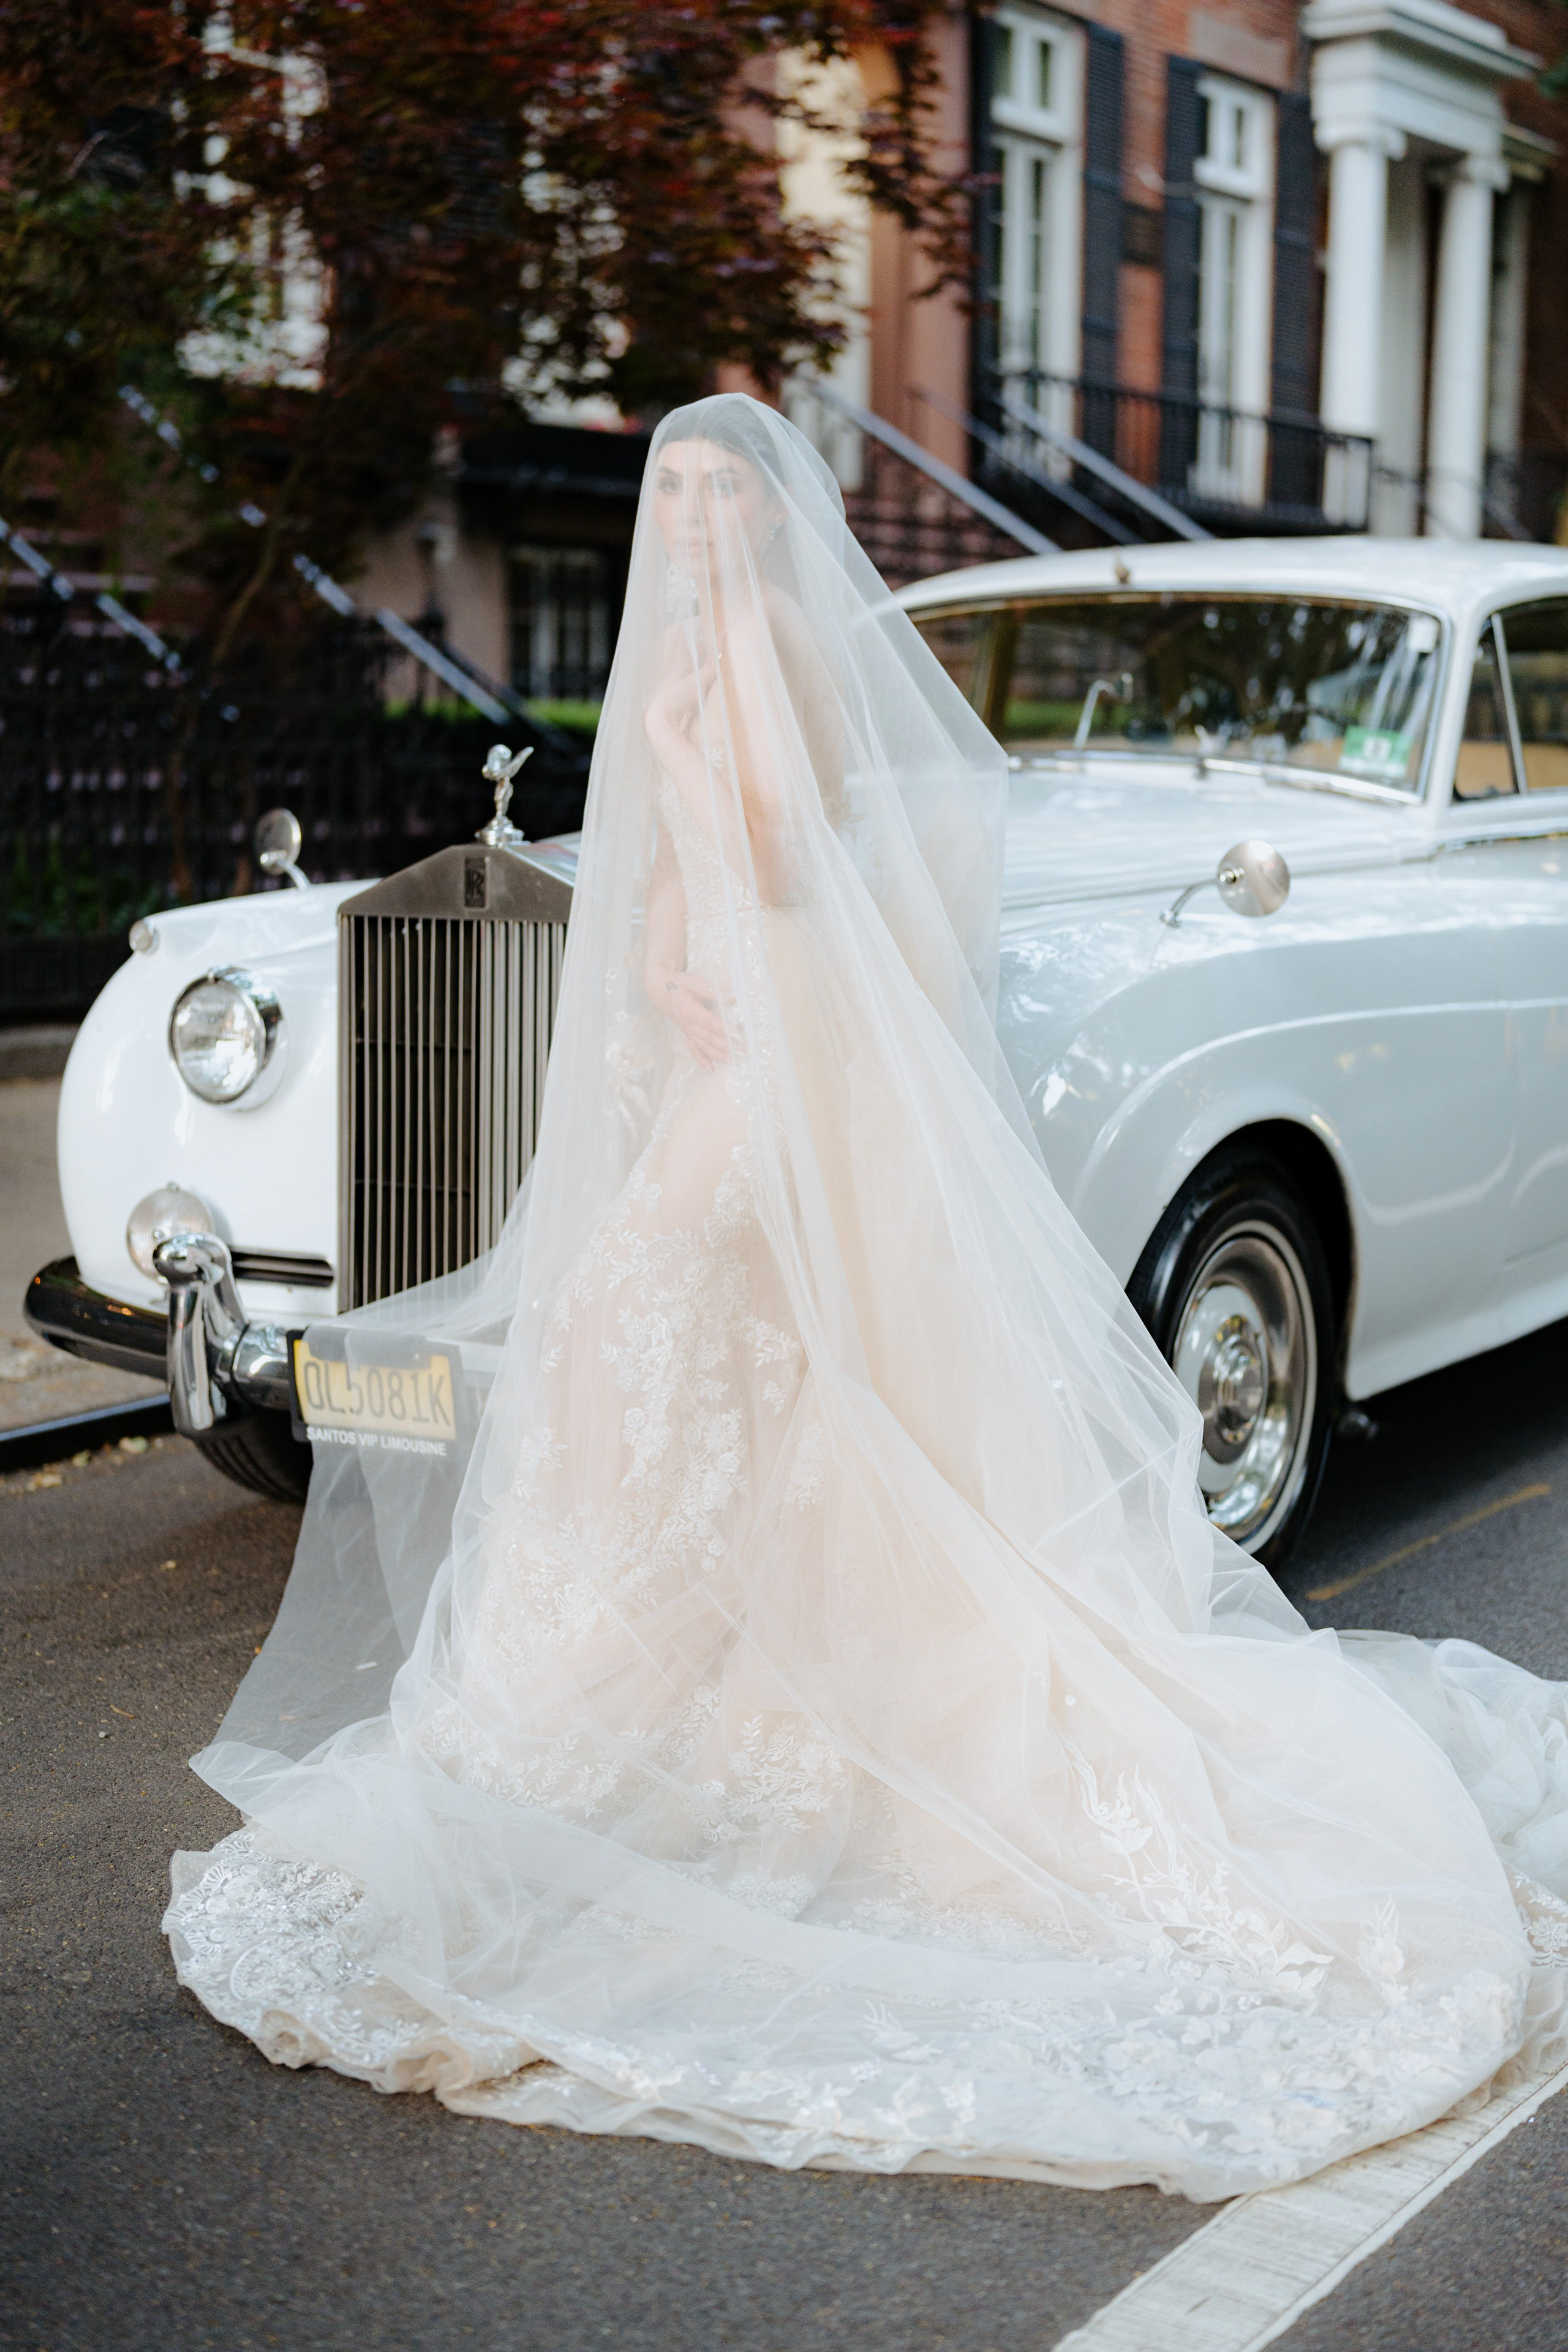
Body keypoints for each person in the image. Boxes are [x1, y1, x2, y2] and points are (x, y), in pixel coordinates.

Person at [167, 396, 1568, 2199]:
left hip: (786, 1062)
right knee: (695, 1366)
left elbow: (777, 849)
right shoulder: (696, 651)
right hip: (733, 1054)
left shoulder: (759, 658)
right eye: (659, 490)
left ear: (757, 521)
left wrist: (688, 760)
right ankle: (635, 1698)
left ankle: (636, 1713)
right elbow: (692, 907)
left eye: (701, 495)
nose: (676, 522)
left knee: (636, 1336)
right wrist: (671, 964)